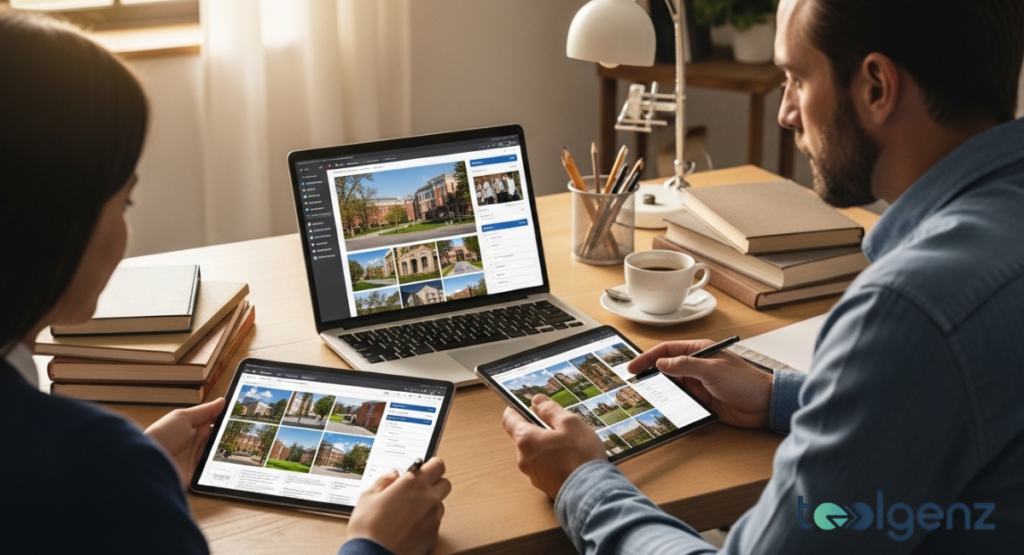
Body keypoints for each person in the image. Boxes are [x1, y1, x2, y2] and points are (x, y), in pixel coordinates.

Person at [503, 0, 1024, 552]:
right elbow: (950, 403)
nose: (786, 113)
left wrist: (582, 482)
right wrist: (781, 396)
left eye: (796, 78)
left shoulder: (911, 310)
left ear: (876, 87)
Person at [0, 11, 449, 555]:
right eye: (125, 199)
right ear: (52, 219)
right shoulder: (94, 469)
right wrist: (374, 545)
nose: (127, 228)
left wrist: (134, 471)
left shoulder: (91, 467)